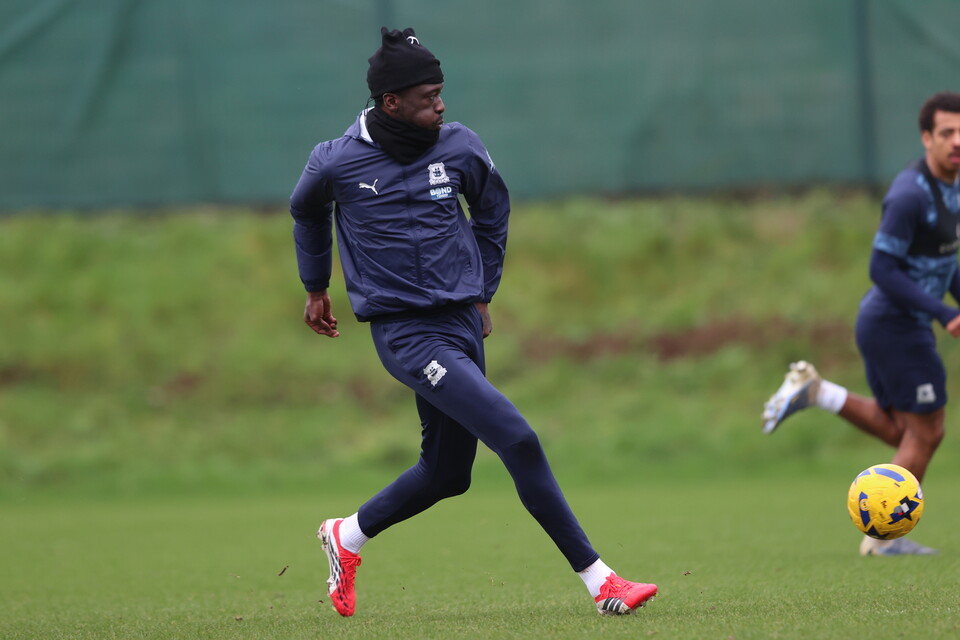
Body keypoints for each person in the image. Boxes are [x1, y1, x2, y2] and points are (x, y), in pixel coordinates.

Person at [289, 27, 657, 617]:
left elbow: (492, 212)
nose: (441, 104)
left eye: (441, 93)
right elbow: (305, 209)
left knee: (446, 474)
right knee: (518, 438)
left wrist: (483, 291)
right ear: (391, 103)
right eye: (428, 96)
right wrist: (315, 286)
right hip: (406, 335)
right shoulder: (337, 160)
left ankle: (347, 535)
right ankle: (601, 581)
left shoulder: (459, 148)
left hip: (460, 321)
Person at [762, 91, 960, 556]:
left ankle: (818, 392)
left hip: (896, 325)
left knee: (904, 433)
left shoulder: (953, 188)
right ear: (926, 138)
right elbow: (882, 269)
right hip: (894, 324)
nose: (957, 142)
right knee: (928, 432)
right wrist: (942, 311)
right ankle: (882, 540)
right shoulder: (910, 195)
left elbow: (943, 262)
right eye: (947, 133)